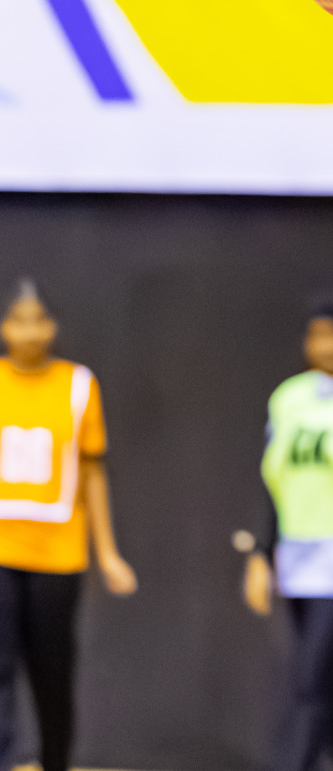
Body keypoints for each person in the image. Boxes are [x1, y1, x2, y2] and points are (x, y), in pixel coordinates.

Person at [0, 279, 137, 771]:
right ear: (5, 327)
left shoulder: (78, 384)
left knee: (51, 670)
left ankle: (55, 760)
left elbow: (93, 472)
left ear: (53, 326)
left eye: (40, 318)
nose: (30, 330)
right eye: (19, 319)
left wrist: (108, 554)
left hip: (58, 552)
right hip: (1, 550)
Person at [244, 303, 333, 771]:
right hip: (298, 552)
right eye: (316, 335)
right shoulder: (289, 396)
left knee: (310, 678)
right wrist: (262, 553)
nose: (325, 345)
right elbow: (272, 478)